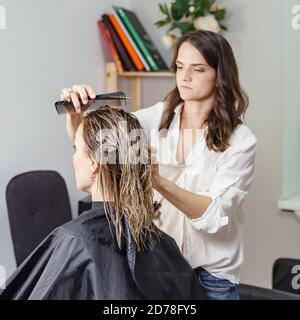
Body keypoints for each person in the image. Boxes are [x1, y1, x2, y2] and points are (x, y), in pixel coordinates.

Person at [60, 30, 257, 300]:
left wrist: (158, 181)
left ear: (220, 74)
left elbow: (213, 217)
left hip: (212, 279)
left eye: (197, 69)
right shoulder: (158, 117)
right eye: (179, 67)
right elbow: (97, 145)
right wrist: (75, 116)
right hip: (160, 269)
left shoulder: (241, 141)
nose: (184, 77)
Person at [0, 106, 205, 300]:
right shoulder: (164, 243)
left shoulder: (74, 239)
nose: (73, 157)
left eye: (77, 149)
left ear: (94, 164)